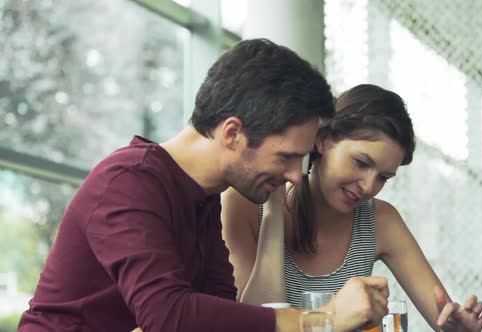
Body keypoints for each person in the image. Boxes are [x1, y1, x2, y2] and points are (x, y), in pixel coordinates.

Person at [18, 39, 390, 332]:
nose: (296, 175)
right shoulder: (128, 181)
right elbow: (169, 316)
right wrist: (319, 322)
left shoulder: (203, 197)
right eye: (287, 157)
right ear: (233, 133)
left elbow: (220, 312)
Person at [222, 84, 482, 331]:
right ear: (324, 141)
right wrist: (273, 214)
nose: (368, 186)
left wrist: (456, 330)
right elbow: (252, 324)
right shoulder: (245, 205)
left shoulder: (380, 220)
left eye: (383, 178)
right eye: (361, 163)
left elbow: (443, 318)